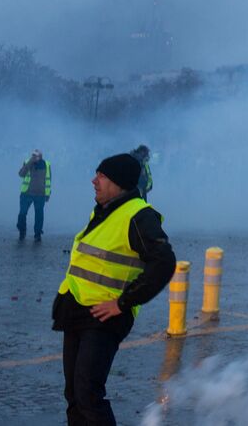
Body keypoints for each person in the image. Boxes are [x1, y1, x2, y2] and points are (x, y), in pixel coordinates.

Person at [53, 153, 175, 426]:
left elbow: (164, 262)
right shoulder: (105, 208)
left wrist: (123, 303)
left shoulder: (138, 216)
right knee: (73, 393)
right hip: (77, 308)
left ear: (118, 183)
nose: (94, 181)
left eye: (101, 176)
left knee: (87, 393)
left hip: (104, 317)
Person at [18, 149, 52, 242]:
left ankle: (37, 234)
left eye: (36, 156)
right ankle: (22, 231)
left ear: (41, 156)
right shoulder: (27, 162)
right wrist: (30, 162)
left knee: (39, 215)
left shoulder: (46, 164)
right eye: (33, 155)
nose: (35, 157)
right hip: (26, 193)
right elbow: (21, 174)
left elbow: (48, 180)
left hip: (40, 195)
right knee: (22, 213)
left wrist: (48, 193)